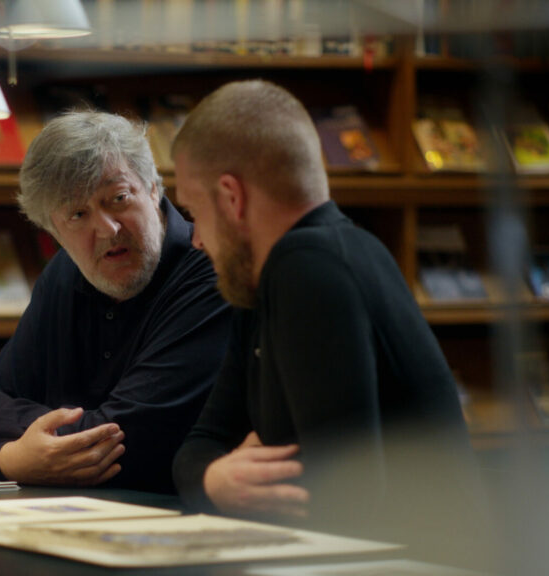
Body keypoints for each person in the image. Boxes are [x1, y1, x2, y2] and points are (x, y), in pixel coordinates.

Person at [170, 80, 486, 549]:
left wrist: (223, 478)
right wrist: (217, 479)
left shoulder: (309, 267)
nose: (195, 240)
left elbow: (346, 502)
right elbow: (199, 444)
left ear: (232, 198)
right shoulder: (266, 279)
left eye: (194, 212)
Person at [0, 111, 231, 493]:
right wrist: (14, 460)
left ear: (152, 189)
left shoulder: (213, 273)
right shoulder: (64, 274)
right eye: (78, 214)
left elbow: (123, 444)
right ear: (53, 230)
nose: (107, 228)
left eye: (118, 198)